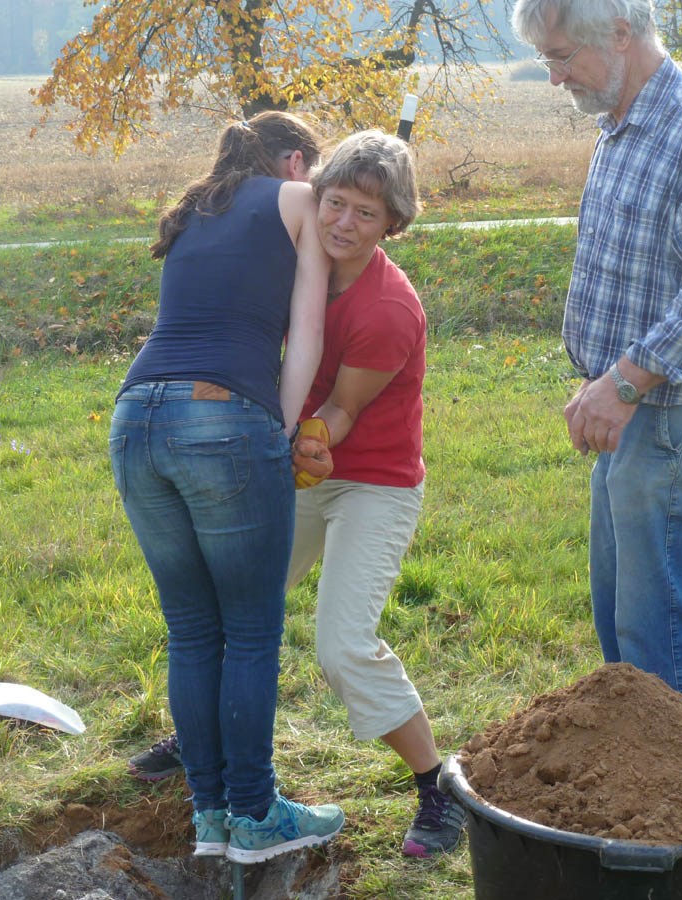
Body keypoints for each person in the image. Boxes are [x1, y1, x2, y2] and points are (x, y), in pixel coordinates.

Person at [130, 130, 468, 859]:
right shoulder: (292, 257)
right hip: (289, 460)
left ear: (393, 227)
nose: (343, 223)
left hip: (366, 480)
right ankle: (205, 739)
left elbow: (340, 414)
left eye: (366, 216)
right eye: (336, 203)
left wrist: (302, 437)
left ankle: (438, 787)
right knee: (229, 608)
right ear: (314, 194)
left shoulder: (388, 310)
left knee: (342, 646)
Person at [510, 0, 682, 717]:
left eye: (563, 57)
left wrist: (625, 380)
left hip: (681, 412)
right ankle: (645, 798)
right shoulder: (619, 126)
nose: (556, 77)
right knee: (624, 622)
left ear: (622, 35)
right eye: (548, 60)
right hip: (636, 410)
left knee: (660, 629)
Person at [108, 111, 344, 865]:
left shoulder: (193, 207)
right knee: (249, 629)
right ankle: (256, 814)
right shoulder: (296, 199)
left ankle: (210, 817)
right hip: (221, 418)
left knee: (192, 629)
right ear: (296, 163)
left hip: (134, 420)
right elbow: (304, 331)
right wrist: (280, 428)